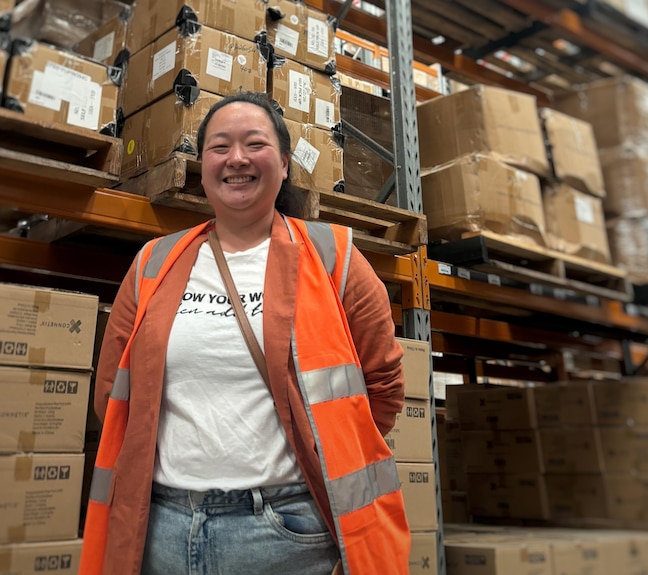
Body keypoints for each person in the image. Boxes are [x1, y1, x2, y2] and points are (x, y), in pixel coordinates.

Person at [80, 91, 410, 575]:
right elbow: (111, 395)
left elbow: (382, 389)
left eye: (253, 144)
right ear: (202, 165)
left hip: (286, 535)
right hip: (162, 530)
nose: (236, 159)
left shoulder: (333, 258)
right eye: (219, 147)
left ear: (283, 162)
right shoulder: (154, 262)